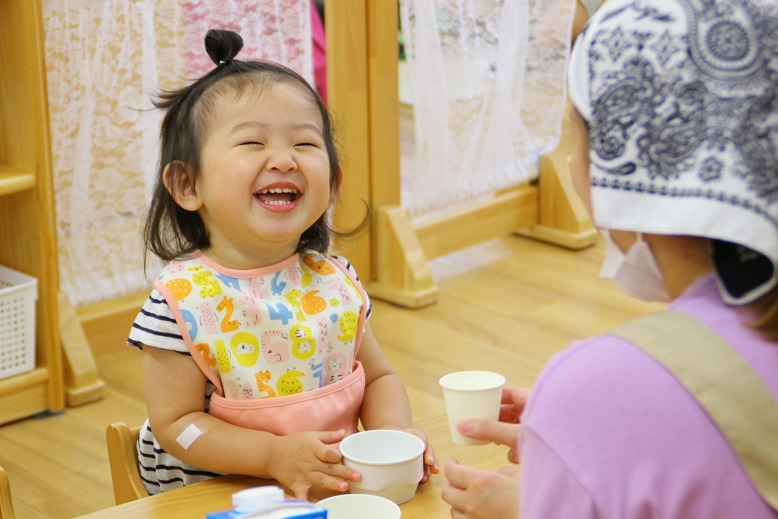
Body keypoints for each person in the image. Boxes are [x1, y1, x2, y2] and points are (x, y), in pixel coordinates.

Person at [442, 0, 778, 517]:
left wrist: (534, 500)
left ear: (620, 160)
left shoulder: (593, 386)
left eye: (575, 136)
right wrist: (584, 436)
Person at [127, 29, 438, 499]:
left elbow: (379, 378)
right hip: (216, 495)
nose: (284, 160)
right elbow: (178, 427)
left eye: (306, 145)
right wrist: (272, 456)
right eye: (252, 143)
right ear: (188, 184)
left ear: (333, 182)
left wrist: (393, 436)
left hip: (328, 488)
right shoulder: (178, 301)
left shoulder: (337, 280)